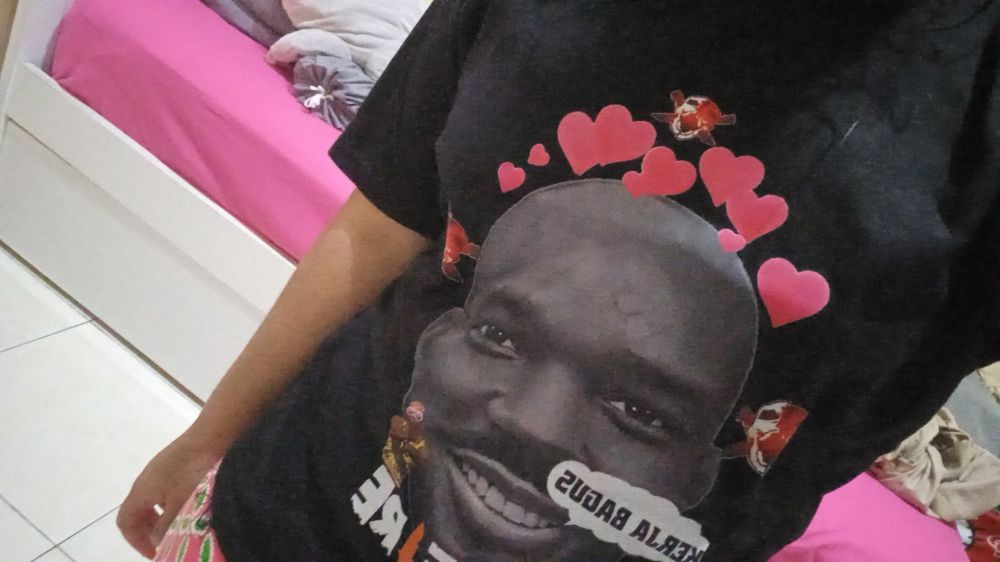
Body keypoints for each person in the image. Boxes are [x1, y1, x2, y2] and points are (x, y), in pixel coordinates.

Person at [118, 1, 1000, 561]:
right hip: (278, 519)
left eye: (643, 410)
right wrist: (208, 436)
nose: (533, 423)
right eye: (500, 335)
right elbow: (384, 218)